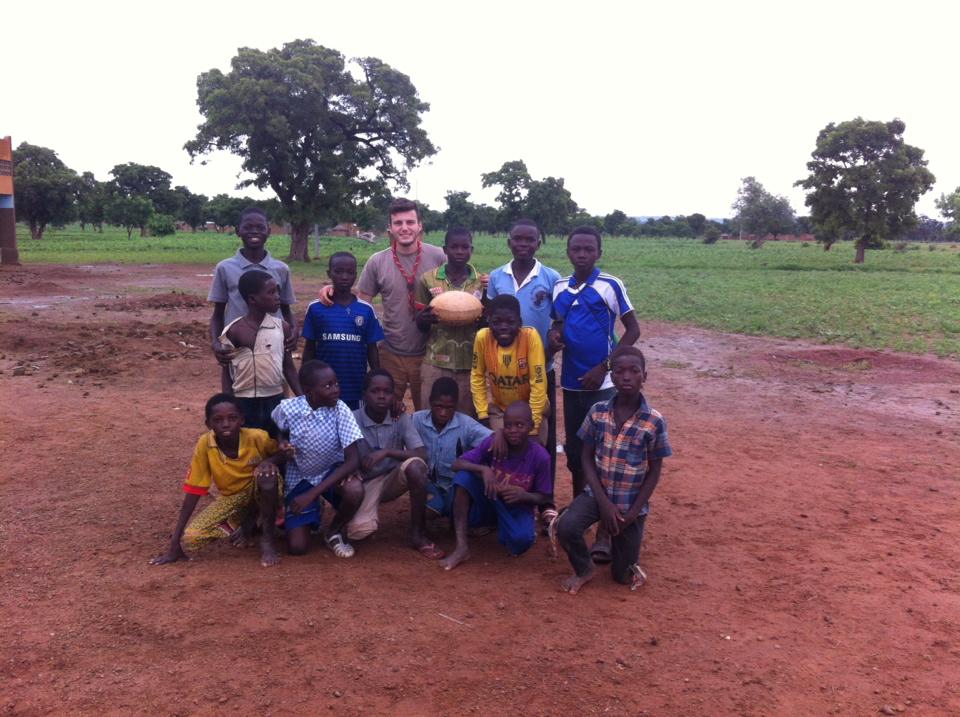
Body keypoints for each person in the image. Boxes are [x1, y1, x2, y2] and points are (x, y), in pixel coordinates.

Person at [550, 225, 640, 561]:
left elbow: (633, 330)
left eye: (589, 249)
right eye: (576, 249)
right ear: (568, 252)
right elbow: (558, 324)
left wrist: (605, 366)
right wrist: (555, 335)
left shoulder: (610, 285)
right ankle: (580, 514)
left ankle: (604, 532)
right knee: (577, 452)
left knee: (605, 454)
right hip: (571, 383)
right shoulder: (560, 287)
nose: (582, 254)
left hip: (601, 385)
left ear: (599, 253)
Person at [556, 346, 671, 594]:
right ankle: (584, 568)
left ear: (644, 376)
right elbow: (586, 458)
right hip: (596, 495)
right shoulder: (598, 412)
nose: (626, 377)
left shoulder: (654, 421)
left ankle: (624, 546)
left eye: (634, 371)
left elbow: (654, 471)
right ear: (612, 376)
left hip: (630, 503)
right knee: (566, 527)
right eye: (619, 371)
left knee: (622, 575)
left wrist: (634, 512)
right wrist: (604, 504)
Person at [321, 198, 445, 410]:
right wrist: (332, 290)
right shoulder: (377, 261)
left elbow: (460, 287)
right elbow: (360, 305)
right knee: (385, 414)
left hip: (430, 353)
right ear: (390, 227)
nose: (404, 228)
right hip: (389, 352)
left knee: (427, 415)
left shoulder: (438, 257)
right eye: (398, 223)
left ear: (420, 225)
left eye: (410, 222)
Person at [484, 218, 562, 527]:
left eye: (530, 240)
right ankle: (504, 497)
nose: (523, 244)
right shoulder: (497, 278)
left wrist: (553, 343)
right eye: (518, 239)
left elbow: (558, 320)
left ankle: (545, 501)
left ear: (538, 243)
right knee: (507, 433)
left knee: (541, 436)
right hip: (504, 374)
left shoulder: (551, 278)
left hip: (540, 372)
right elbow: (490, 318)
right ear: (509, 242)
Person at [150, 393, 283, 568]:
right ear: (208, 424)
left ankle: (268, 540)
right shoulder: (205, 444)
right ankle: (246, 521)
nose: (226, 424)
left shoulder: (257, 437)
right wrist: (175, 542)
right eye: (218, 420)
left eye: (232, 418)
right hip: (234, 499)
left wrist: (269, 462)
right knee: (193, 538)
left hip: (262, 488)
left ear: (242, 420)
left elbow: (283, 453)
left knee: (267, 477)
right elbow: (194, 490)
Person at [440, 402, 553, 570]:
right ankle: (461, 547)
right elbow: (457, 464)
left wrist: (525, 496)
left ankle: (503, 527)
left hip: (517, 507)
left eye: (519, 425)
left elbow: (545, 496)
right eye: (508, 426)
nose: (513, 430)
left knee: (520, 542)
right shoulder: (494, 444)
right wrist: (483, 469)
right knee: (463, 477)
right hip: (490, 498)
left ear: (531, 426)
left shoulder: (540, 457)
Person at [270, 360, 364, 558]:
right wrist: (282, 442)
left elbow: (353, 460)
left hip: (331, 473)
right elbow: (277, 427)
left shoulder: (340, 410)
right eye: (327, 386)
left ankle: (334, 530)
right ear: (308, 391)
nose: (335, 389)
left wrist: (311, 494)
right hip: (300, 476)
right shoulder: (289, 408)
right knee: (297, 548)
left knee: (354, 490)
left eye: (336, 383)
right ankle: (315, 509)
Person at [347, 369, 444, 559]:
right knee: (359, 532)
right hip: (366, 483)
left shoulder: (399, 416)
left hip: (393, 478)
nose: (381, 396)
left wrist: (386, 452)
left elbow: (422, 454)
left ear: (394, 395)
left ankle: (417, 533)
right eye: (375, 391)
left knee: (416, 466)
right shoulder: (352, 419)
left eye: (387, 391)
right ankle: (345, 518)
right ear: (364, 394)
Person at [208, 207, 297, 368]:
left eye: (260, 227)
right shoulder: (225, 268)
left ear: (268, 231)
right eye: (248, 227)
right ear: (238, 231)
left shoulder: (281, 269)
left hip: (274, 344)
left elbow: (286, 309)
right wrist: (215, 342)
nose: (254, 231)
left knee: (276, 382)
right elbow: (218, 313)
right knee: (238, 382)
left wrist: (294, 331)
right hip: (237, 345)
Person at [218, 269, 301, 436]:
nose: (277, 297)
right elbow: (227, 372)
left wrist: (303, 398)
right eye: (271, 292)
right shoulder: (234, 330)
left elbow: (288, 367)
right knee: (247, 444)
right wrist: (228, 403)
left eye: (277, 291)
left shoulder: (281, 327)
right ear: (252, 299)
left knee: (276, 442)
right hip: (243, 401)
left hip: (275, 398)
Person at [414, 227, 485, 415]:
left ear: (471, 250)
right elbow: (420, 322)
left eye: (465, 247)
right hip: (435, 362)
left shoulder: (482, 282)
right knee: (430, 416)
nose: (459, 252)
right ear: (445, 250)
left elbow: (486, 324)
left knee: (465, 419)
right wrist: (423, 319)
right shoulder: (428, 279)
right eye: (454, 247)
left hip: (470, 364)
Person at [301, 252, 383, 409]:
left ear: (355, 275)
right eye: (338, 272)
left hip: (356, 387)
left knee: (353, 423)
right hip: (322, 388)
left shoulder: (366, 310)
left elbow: (372, 350)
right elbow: (309, 348)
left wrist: (376, 381)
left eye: (350, 272)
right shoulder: (316, 308)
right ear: (329, 273)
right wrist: (305, 381)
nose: (344, 277)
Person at [471, 294, 548, 443]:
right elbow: (477, 376)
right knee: (499, 448)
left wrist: (534, 426)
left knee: (534, 451)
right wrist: (482, 414)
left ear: (520, 322)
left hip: (530, 408)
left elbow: (538, 383)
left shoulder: (530, 337)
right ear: (488, 321)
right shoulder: (482, 338)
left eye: (510, 322)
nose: (503, 327)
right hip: (500, 409)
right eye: (496, 322)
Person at [412, 377, 492, 519]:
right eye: (438, 406)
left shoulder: (466, 424)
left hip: (454, 485)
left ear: (456, 405)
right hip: (428, 483)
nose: (443, 413)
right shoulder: (416, 420)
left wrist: (499, 436)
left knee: (455, 510)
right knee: (430, 510)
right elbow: (397, 427)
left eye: (449, 408)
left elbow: (492, 438)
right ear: (430, 401)